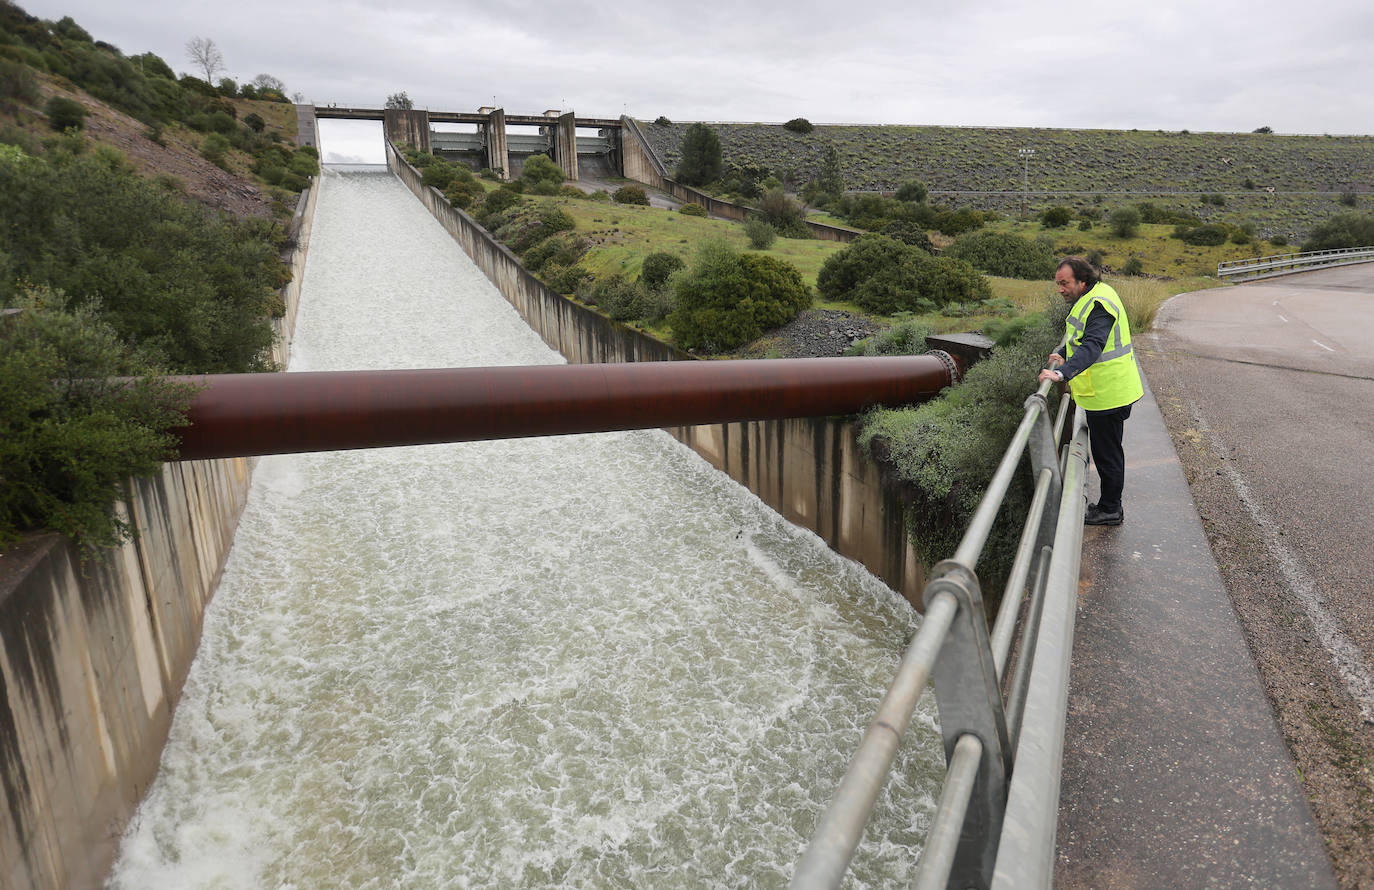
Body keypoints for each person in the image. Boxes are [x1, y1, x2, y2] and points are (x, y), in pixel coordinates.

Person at [1037, 257, 1144, 526]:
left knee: (1108, 454)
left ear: (1082, 282)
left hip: (1109, 393)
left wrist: (1061, 373)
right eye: (1058, 283)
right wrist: (1063, 352)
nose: (1060, 289)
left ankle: (1111, 509)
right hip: (1104, 392)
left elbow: (1093, 345)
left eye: (1065, 283)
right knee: (1107, 451)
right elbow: (1080, 338)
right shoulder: (1093, 296)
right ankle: (1110, 505)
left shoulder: (1098, 304)